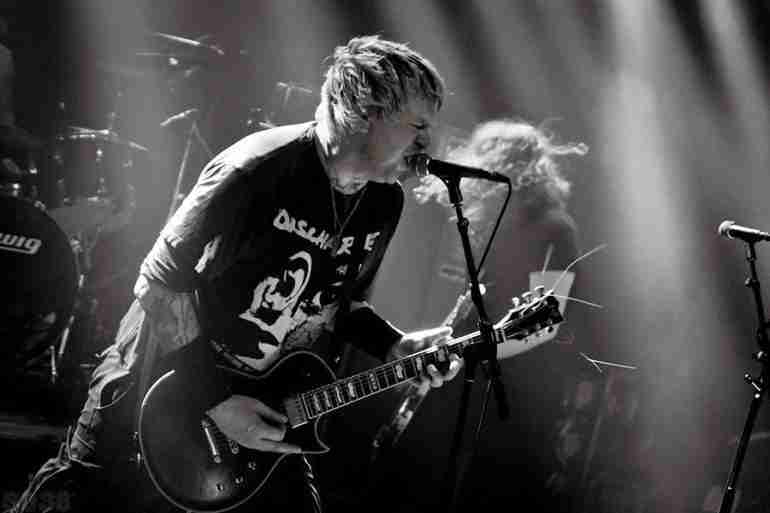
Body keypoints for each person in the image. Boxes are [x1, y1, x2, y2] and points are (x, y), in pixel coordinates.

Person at [9, 34, 462, 513]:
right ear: (367, 112)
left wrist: (394, 345)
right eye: (418, 126)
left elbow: (337, 303)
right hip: (158, 392)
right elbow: (159, 281)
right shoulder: (258, 168)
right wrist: (216, 399)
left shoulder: (384, 202)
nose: (428, 144)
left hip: (260, 412)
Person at [372, 118, 588, 511]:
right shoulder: (493, 223)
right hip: (459, 372)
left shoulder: (556, 227)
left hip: (512, 386)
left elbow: (546, 321)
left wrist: (480, 351)